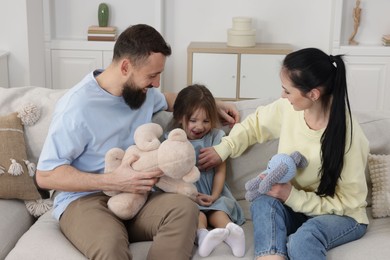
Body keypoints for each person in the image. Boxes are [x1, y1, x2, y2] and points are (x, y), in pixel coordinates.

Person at [35, 24, 239, 260]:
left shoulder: (144, 94)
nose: (156, 84)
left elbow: (173, 99)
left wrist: (215, 104)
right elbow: (45, 175)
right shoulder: (76, 108)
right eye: (152, 76)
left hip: (141, 196)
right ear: (125, 67)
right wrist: (112, 180)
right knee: (110, 247)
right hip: (87, 199)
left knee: (186, 209)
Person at [198, 48, 369, 260]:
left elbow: (349, 203)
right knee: (262, 201)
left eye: (287, 91)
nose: (282, 96)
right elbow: (255, 125)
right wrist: (222, 149)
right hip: (299, 209)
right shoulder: (289, 110)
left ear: (313, 94)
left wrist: (291, 195)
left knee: (302, 240)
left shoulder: (350, 137)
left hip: (343, 216)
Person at [168, 84, 246, 257]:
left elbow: (220, 171)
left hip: (213, 191)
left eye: (206, 121)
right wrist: (191, 196)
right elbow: (170, 175)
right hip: (188, 195)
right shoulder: (173, 140)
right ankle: (203, 236)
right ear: (181, 117)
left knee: (219, 211)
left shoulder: (216, 137)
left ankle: (231, 232)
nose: (199, 127)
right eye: (193, 120)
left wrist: (214, 196)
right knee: (196, 215)